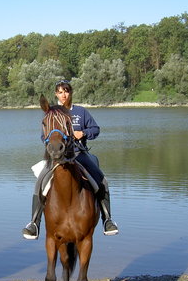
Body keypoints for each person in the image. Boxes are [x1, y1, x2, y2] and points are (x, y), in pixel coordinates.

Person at [22, 80, 119, 239]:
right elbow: (44, 136)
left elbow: (95, 129)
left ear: (70, 92)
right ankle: (34, 223)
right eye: (60, 92)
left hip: (79, 154)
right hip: (57, 156)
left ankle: (107, 219)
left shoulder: (81, 112)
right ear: (56, 94)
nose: (63, 95)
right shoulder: (52, 113)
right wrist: (53, 146)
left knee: (101, 180)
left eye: (66, 91)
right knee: (40, 182)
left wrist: (84, 133)